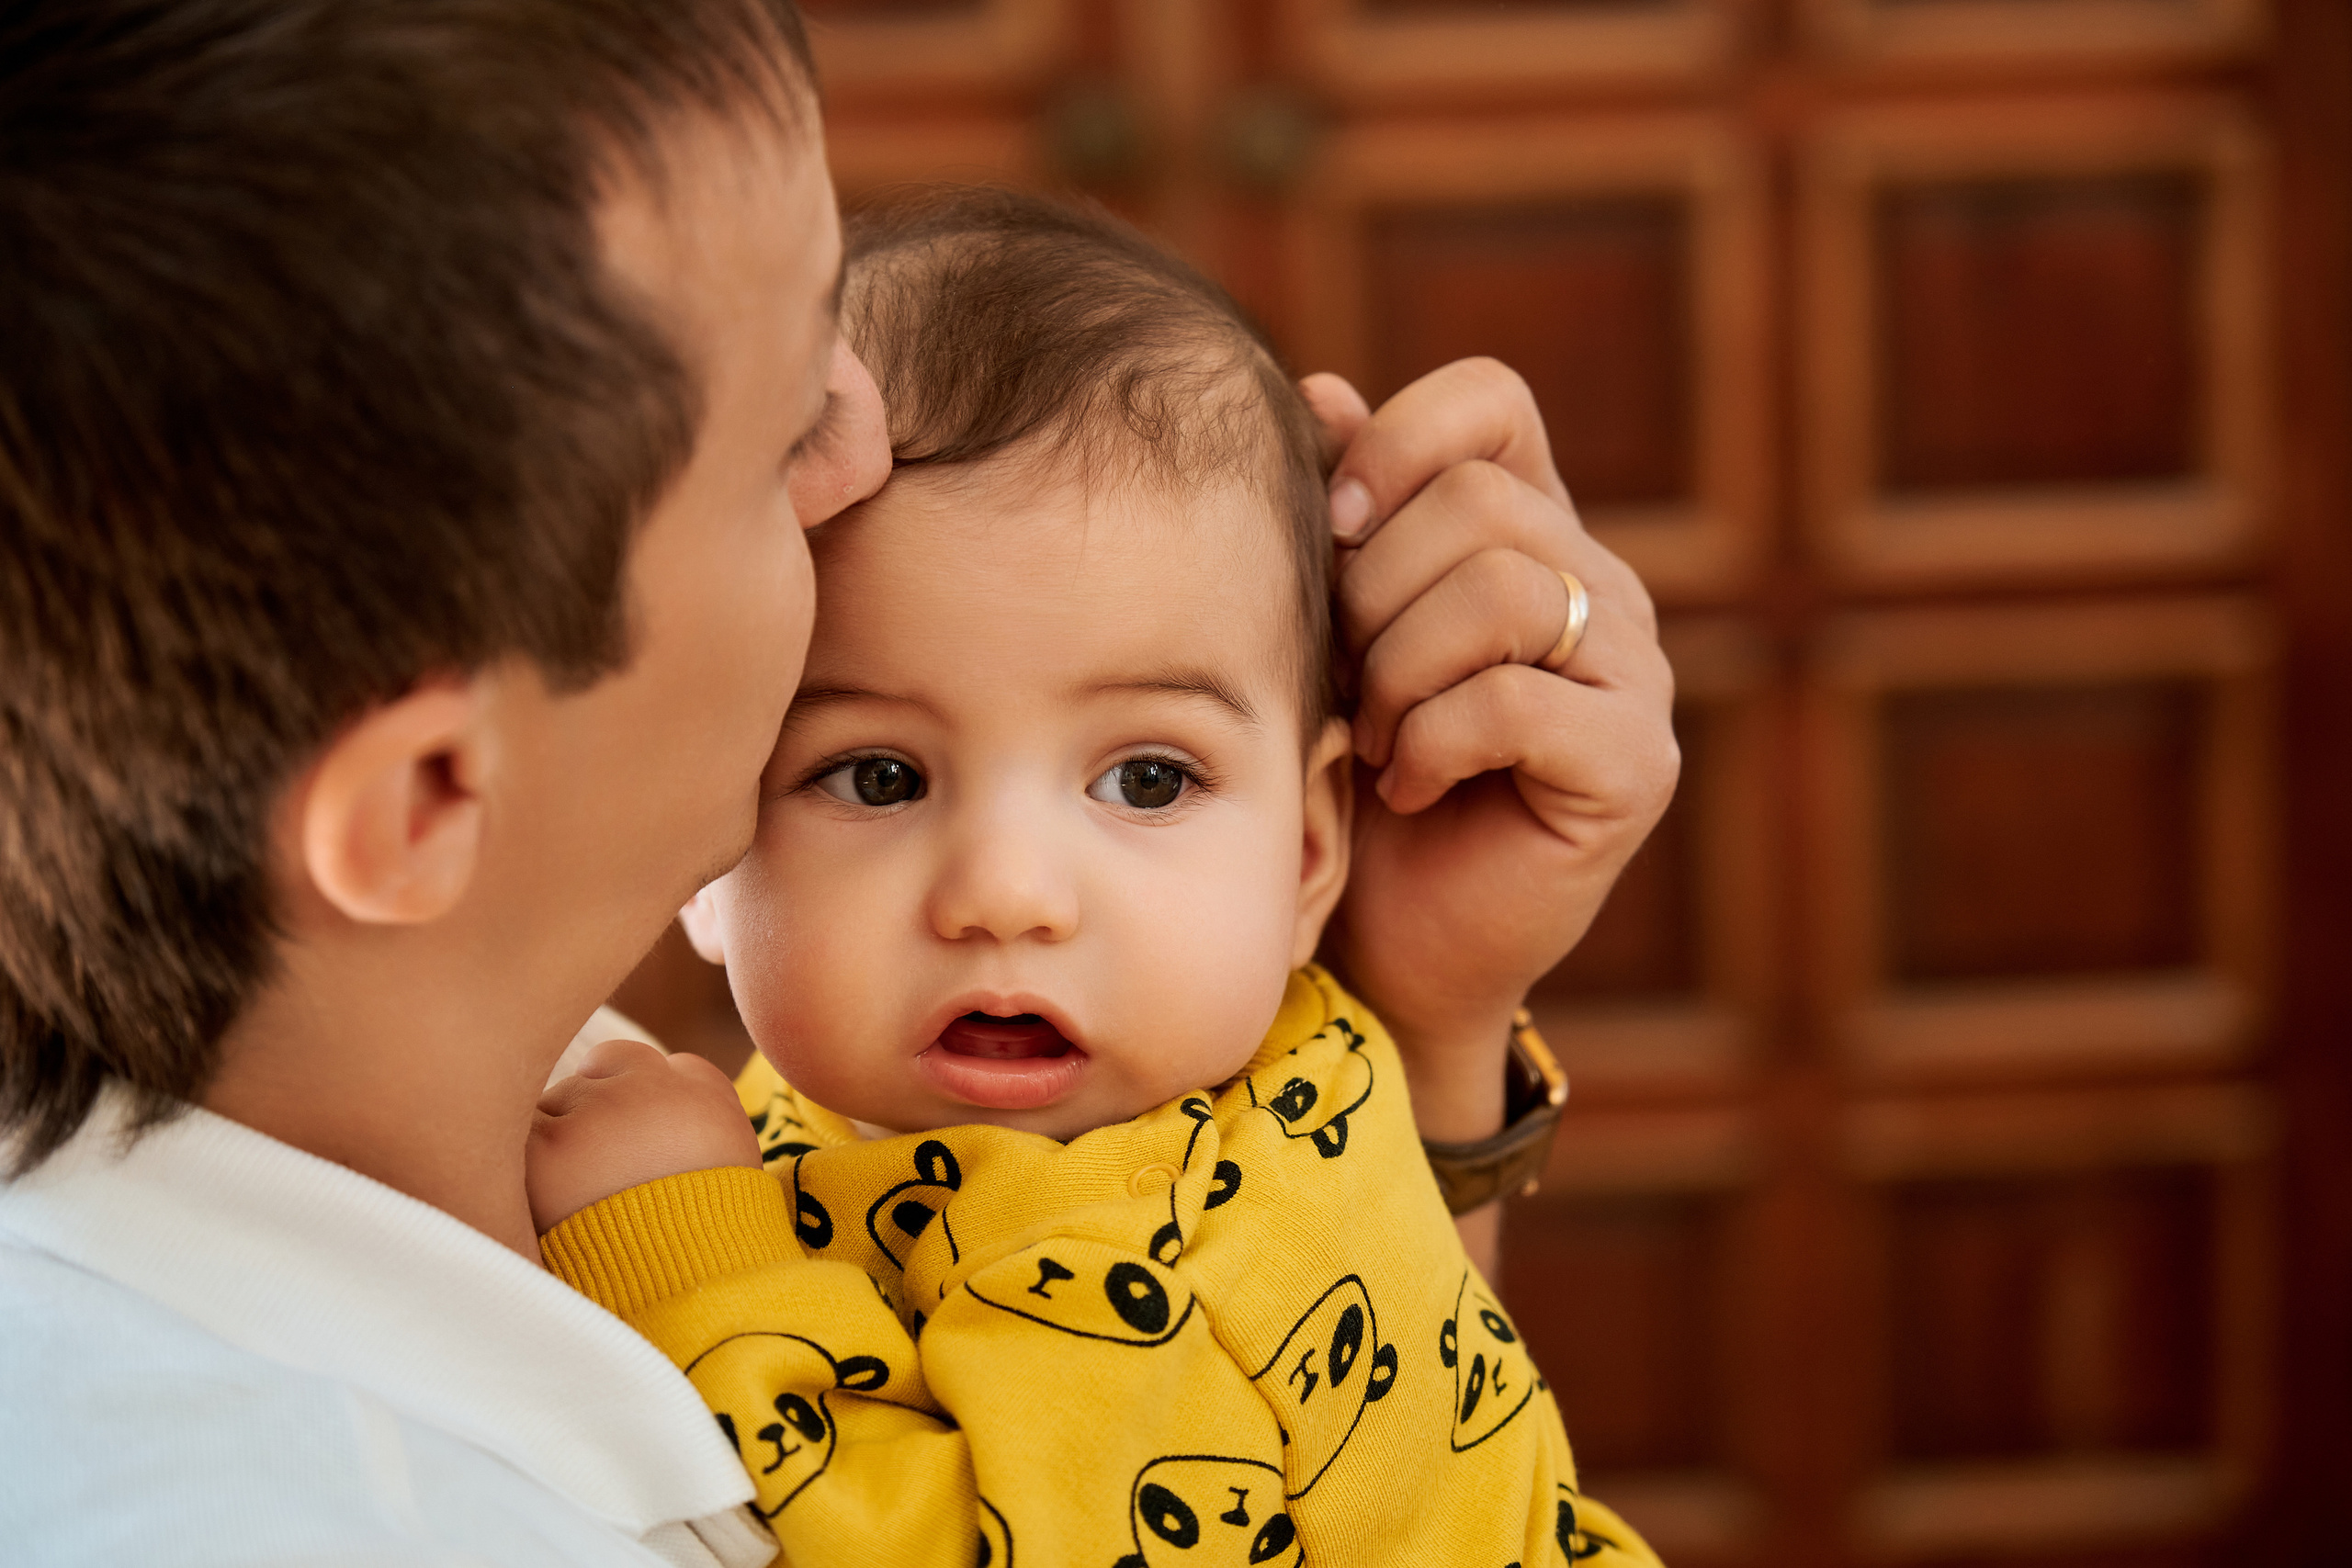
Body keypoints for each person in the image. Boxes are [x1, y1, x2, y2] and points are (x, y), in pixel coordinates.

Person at [0, 4, 1676, 1564]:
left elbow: (1386, 1486)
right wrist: (699, 1258)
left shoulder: (513, 1064)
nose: (870, 454)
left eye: (1149, 775)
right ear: (426, 799)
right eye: (786, 415)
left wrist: (1435, 1022)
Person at [524, 188, 1667, 1568]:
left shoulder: (1146, 1237)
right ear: (705, 841)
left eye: (1147, 780)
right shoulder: (1238, 1068)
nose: (1009, 895)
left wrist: (693, 1255)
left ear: (1310, 848)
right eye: (879, 777)